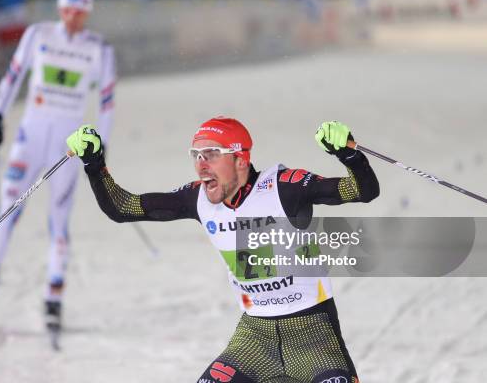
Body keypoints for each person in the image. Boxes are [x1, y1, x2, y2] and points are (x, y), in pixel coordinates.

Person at [66, 118, 379, 382]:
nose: (201, 165)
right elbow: (123, 207)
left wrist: (348, 154)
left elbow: (362, 191)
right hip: (254, 338)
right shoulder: (197, 199)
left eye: (212, 154)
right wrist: (95, 164)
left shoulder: (286, 187)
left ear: (240, 159)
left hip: (312, 336)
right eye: (196, 155)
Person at [0, 0, 116, 333]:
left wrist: (101, 146)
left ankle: (54, 295)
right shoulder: (38, 34)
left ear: (87, 14)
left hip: (66, 146)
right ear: (60, 8)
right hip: (30, 136)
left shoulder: (99, 49)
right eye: (67, 10)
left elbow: (108, 102)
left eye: (79, 12)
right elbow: (13, 76)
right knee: (8, 207)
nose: (72, 17)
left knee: (59, 220)